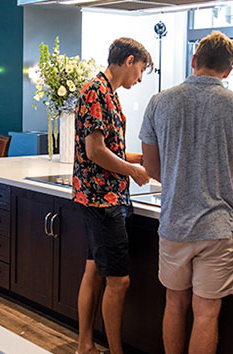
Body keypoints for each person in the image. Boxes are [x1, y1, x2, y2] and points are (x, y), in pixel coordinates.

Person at [139, 30, 233, 354]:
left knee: (174, 304)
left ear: (194, 61)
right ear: (229, 70)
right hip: (219, 229)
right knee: (206, 313)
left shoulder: (158, 102)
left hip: (174, 224)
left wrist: (181, 177)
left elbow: (152, 169)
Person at [74, 37, 152, 354]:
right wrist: (131, 171)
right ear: (129, 61)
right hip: (102, 200)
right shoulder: (95, 91)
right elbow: (95, 152)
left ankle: (85, 345)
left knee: (94, 272)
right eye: (141, 71)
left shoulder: (108, 93)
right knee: (118, 281)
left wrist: (143, 160)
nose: (140, 79)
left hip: (103, 197)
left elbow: (112, 150)